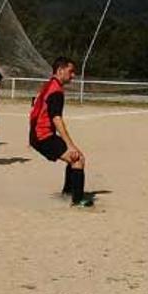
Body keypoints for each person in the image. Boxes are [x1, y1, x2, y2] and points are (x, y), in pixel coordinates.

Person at [29, 57, 93, 207]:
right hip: (43, 136)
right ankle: (77, 201)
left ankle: (67, 193)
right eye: (70, 72)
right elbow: (56, 119)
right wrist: (70, 145)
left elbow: (35, 104)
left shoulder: (49, 85)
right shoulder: (56, 91)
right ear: (60, 71)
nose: (73, 75)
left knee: (72, 159)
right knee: (77, 159)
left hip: (38, 135)